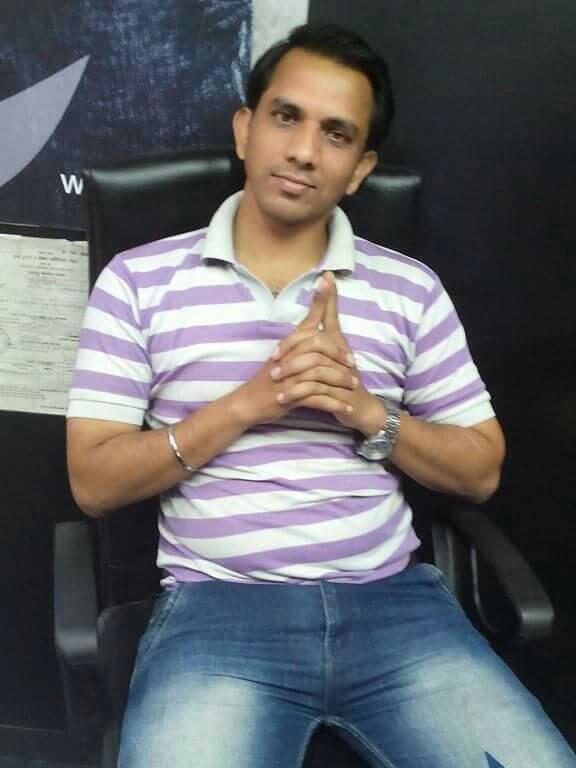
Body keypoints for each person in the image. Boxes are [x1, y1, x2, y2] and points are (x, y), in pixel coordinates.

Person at [67, 22, 576, 768]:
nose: (304, 151)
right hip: (219, 612)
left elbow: (481, 470)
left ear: (361, 168)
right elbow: (93, 481)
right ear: (245, 130)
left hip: (395, 608)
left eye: (336, 134)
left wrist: (364, 411)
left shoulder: (409, 289)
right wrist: (249, 404)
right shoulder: (138, 282)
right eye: (286, 117)